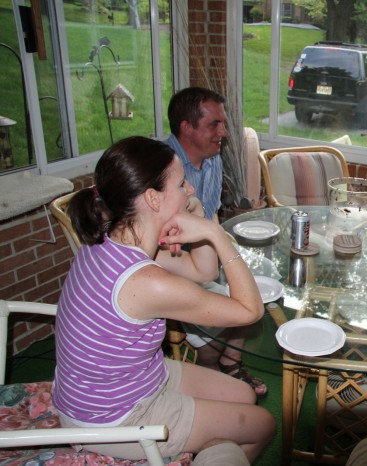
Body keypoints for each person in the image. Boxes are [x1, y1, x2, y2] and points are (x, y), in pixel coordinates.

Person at [53, 136, 274, 464]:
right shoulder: (147, 283)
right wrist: (217, 236)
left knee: (243, 394)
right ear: (153, 199)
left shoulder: (112, 241)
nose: (191, 189)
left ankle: (212, 445)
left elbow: (202, 270)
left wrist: (200, 219)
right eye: (182, 183)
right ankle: (214, 450)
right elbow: (250, 310)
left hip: (128, 380)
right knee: (263, 425)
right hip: (113, 417)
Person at [165, 87, 267, 397]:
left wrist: (225, 254)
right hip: (168, 264)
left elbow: (211, 217)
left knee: (258, 286)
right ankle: (212, 368)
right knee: (229, 315)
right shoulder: (163, 169)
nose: (223, 132)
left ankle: (231, 362)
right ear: (187, 127)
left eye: (223, 123)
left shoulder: (212, 157)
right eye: (214, 125)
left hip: (204, 255)